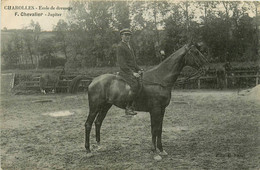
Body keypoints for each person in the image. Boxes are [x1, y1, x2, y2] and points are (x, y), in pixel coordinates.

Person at [117, 28, 143, 115]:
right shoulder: (120, 46)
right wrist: (133, 73)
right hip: (125, 71)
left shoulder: (129, 46)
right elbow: (122, 64)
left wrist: (139, 69)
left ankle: (137, 103)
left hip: (132, 70)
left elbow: (133, 62)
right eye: (126, 35)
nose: (128, 37)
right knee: (135, 85)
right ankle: (128, 107)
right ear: (121, 36)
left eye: (129, 35)